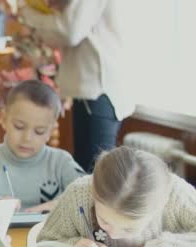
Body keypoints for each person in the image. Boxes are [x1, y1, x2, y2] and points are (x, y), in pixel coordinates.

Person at [19, 1, 135, 172]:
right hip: (91, 90)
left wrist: (29, 15)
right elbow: (63, 34)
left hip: (100, 89)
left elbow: (70, 31)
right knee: (85, 170)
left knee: (96, 175)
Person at [37, 146, 196, 247]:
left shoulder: (175, 193)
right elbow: (43, 244)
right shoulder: (79, 193)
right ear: (94, 192)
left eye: (129, 228)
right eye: (104, 221)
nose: (113, 235)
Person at [0, 80, 84, 213]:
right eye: (19, 127)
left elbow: (89, 194)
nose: (27, 138)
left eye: (39, 131)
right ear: (3, 119)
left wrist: (55, 205)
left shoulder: (61, 161)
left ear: (51, 131)